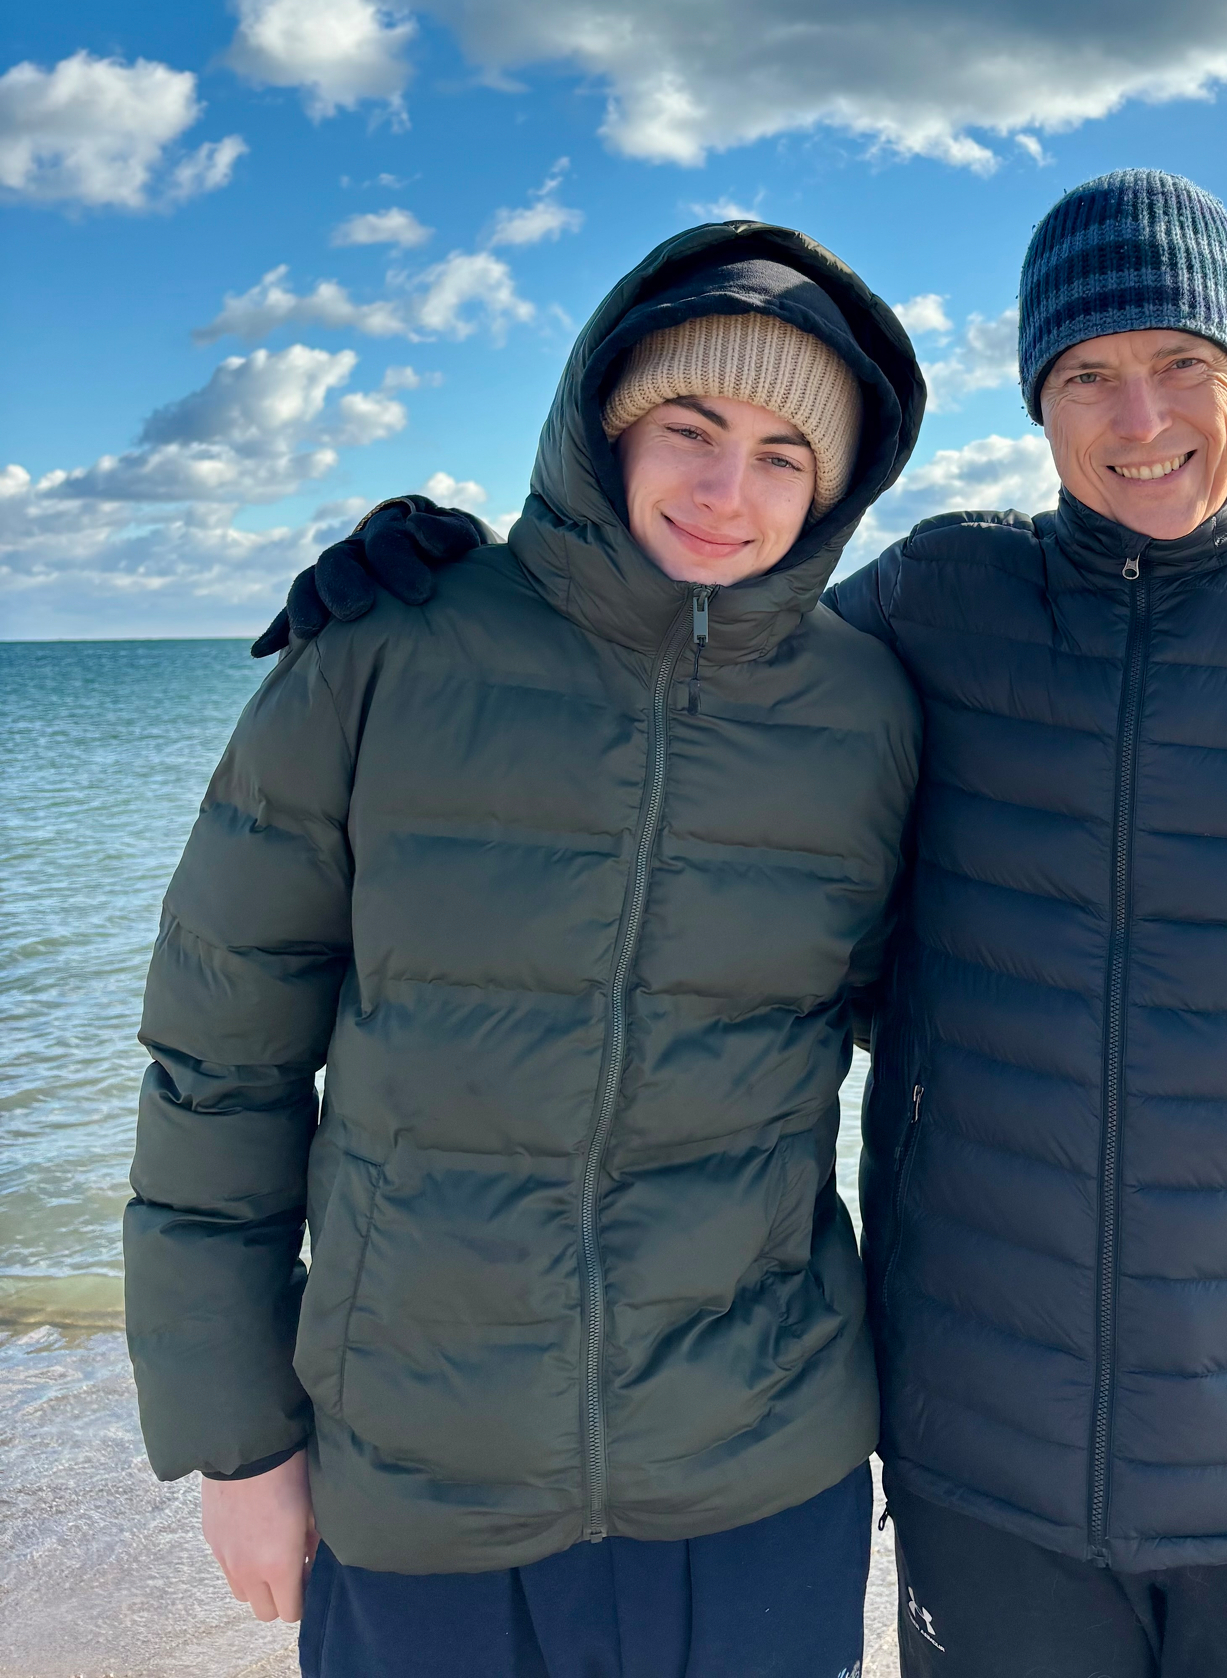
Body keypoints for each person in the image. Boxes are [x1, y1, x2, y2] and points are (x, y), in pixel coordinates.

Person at [274, 171, 1227, 1678]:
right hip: (990, 1478)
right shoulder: (932, 612)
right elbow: (681, 658)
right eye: (1088, 376)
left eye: (1185, 364)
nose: (1139, 418)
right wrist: (462, 584)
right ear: (1037, 404)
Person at [124, 220, 927, 1678]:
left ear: (837, 487)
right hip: (425, 1491)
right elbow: (217, 1064)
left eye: (782, 455)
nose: (725, 491)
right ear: (601, 422)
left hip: (762, 1479)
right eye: (689, 427)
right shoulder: (387, 651)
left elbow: (949, 1014)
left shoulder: (867, 711)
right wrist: (235, 1448)